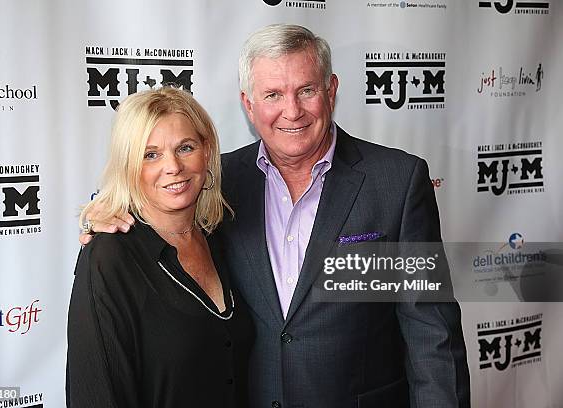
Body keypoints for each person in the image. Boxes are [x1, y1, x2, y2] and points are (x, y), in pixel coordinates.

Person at [81, 24, 470, 408]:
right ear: (248, 105)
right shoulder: (220, 183)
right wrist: (99, 218)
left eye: (306, 90)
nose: (292, 111)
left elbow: (432, 335)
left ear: (331, 91)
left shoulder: (396, 183)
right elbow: (156, 211)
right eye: (272, 95)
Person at [67, 87, 253, 408]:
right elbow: (96, 392)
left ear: (206, 151)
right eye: (150, 154)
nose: (173, 166)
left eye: (185, 147)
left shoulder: (220, 234)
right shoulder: (109, 258)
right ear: (129, 166)